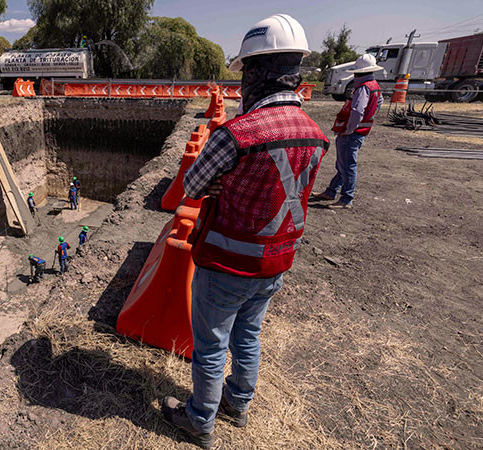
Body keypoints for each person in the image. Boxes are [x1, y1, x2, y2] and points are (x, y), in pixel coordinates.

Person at [160, 14, 329, 449]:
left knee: (212, 346)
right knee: (248, 336)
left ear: (255, 73)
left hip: (226, 259)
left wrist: (219, 180)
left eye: (245, 74)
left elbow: (193, 186)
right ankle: (238, 405)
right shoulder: (314, 134)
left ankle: (200, 420)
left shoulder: (237, 134)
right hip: (276, 260)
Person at [312, 54, 384, 209]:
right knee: (343, 165)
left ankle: (346, 198)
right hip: (360, 131)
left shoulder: (363, 87)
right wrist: (369, 115)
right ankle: (331, 191)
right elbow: (379, 102)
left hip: (352, 133)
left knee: (348, 166)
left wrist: (349, 129)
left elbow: (357, 110)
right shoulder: (374, 85)